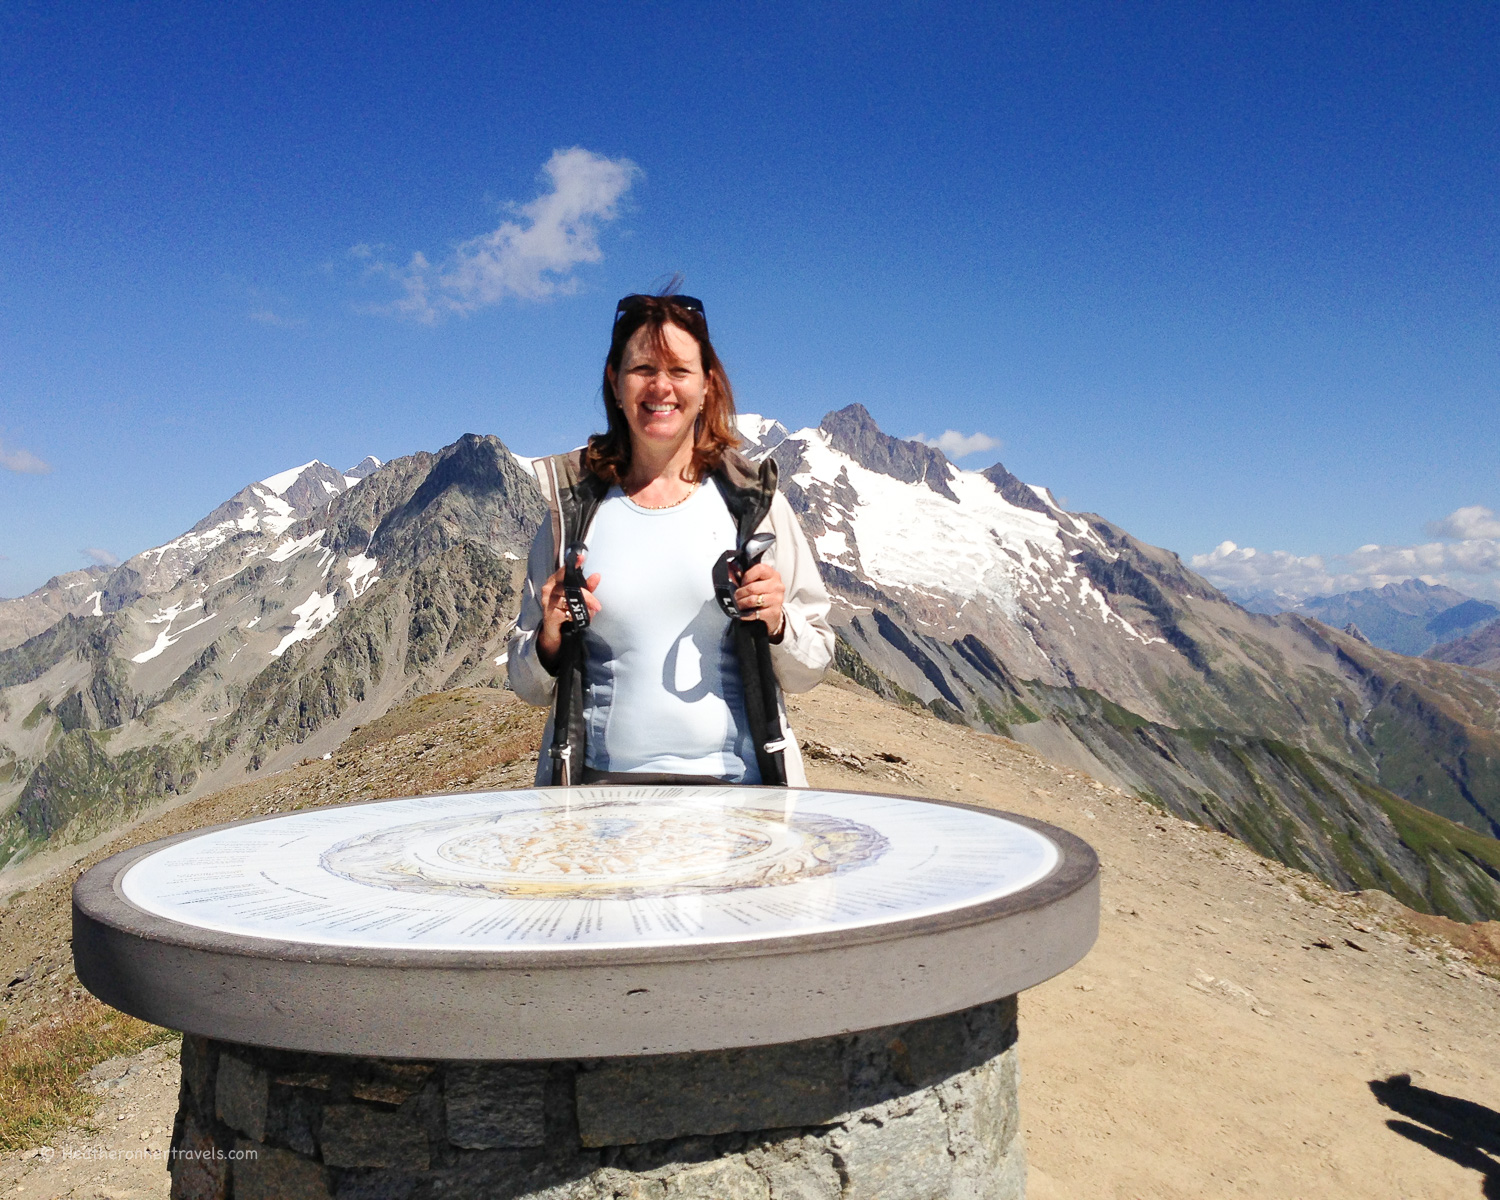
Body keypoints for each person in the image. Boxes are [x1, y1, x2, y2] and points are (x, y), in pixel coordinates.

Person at [506, 291, 833, 786]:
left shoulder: (755, 507)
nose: (661, 387)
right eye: (642, 369)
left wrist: (778, 623)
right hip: (597, 800)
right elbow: (524, 680)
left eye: (680, 370)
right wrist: (548, 637)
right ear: (615, 383)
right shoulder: (571, 515)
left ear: (707, 385)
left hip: (741, 800)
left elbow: (813, 665)